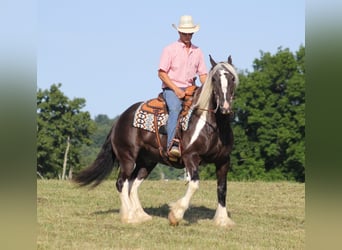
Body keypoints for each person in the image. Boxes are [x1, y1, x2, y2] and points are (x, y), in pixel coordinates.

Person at [158, 15, 207, 160]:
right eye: (185, 33)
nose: (188, 36)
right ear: (179, 32)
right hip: (171, 88)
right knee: (175, 109)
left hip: (191, 88)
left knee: (204, 110)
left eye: (190, 33)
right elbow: (161, 73)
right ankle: (171, 145)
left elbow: (203, 74)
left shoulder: (197, 51)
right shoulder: (169, 49)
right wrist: (176, 89)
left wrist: (209, 88)